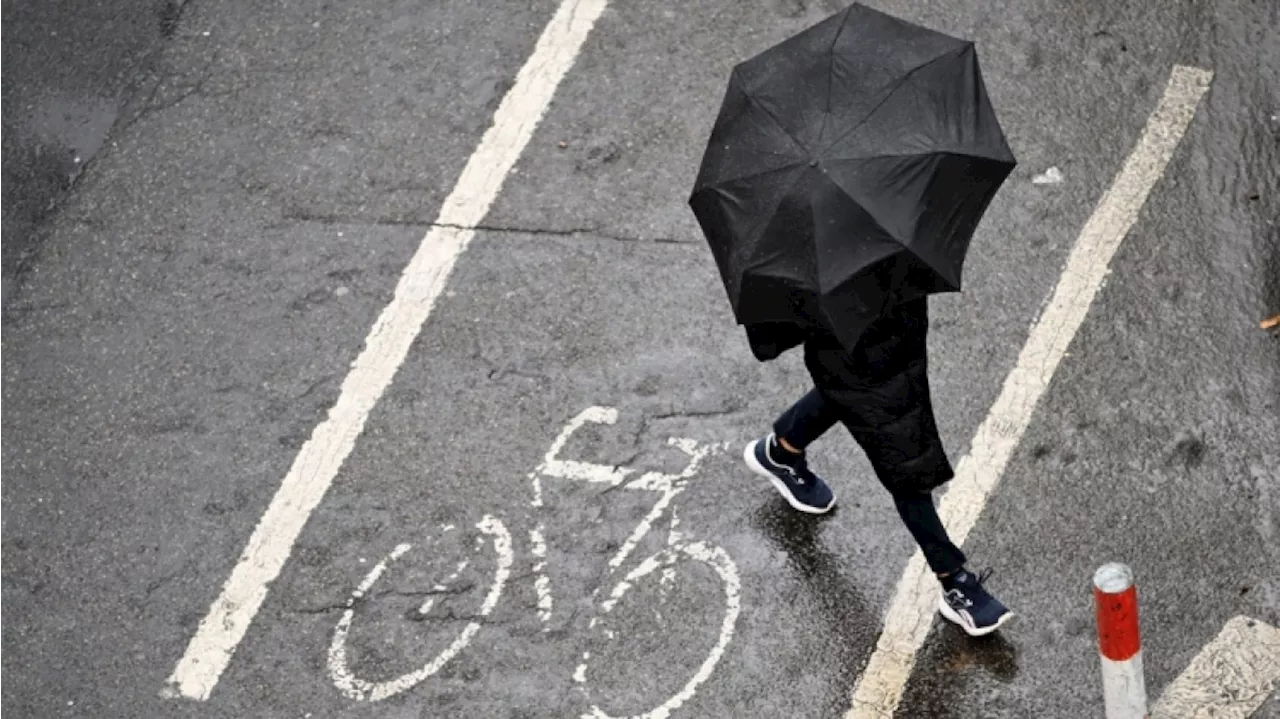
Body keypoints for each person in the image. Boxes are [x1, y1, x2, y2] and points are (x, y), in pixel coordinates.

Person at [743, 296, 1013, 637]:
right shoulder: (850, 253)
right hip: (861, 349)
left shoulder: (818, 254)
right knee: (906, 468)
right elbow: (772, 335)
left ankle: (781, 452)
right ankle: (955, 581)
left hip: (889, 337)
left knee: (847, 392)